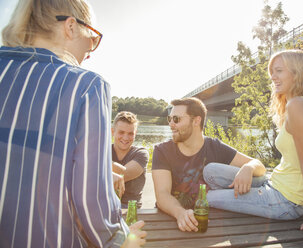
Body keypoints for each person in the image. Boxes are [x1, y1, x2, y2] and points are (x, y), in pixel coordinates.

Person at [0, 0, 145, 247]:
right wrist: (120, 240)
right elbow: (92, 207)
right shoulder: (86, 86)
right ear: (70, 27)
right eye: (94, 38)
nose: (91, 50)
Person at [204, 49, 303, 240]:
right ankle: (244, 196)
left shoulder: (298, 106)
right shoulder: (295, 104)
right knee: (210, 171)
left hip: (287, 201)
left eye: (279, 71)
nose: (273, 77)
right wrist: (247, 168)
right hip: (274, 182)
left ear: (296, 73)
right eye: (272, 72)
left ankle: (239, 197)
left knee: (208, 199)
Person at [152, 97, 266, 232]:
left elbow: (259, 166)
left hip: (213, 224)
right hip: (173, 221)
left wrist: (248, 167)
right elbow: (162, 194)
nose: (171, 124)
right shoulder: (162, 151)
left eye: (176, 119)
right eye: (169, 119)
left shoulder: (215, 147)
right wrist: (180, 213)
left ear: (196, 121)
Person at [111, 111, 149, 208]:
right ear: (112, 132)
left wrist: (96, 163)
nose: (125, 137)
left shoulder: (141, 153)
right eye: (121, 132)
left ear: (135, 134)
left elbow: (124, 173)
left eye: (130, 133)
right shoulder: (103, 151)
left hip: (130, 208)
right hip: (106, 204)